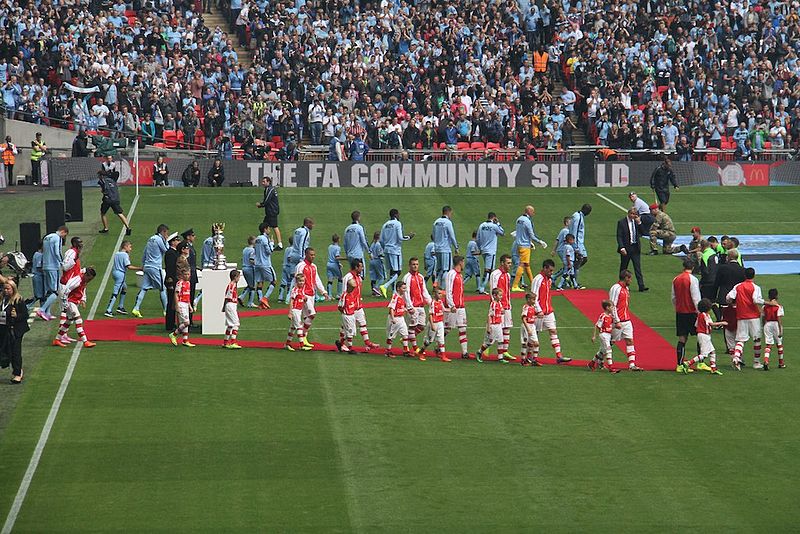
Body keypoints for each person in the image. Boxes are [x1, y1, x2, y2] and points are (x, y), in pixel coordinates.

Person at [531, 259, 571, 364]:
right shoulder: (537, 279)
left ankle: (559, 355)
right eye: (550, 271)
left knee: (553, 331)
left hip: (548, 311)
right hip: (538, 313)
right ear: (544, 268)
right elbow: (533, 296)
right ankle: (530, 356)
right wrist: (538, 310)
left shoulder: (548, 280)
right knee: (535, 334)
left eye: (552, 271)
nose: (551, 273)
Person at [335, 259, 380, 353]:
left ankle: (367, 343)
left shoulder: (359, 278)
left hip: (358, 305)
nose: (362, 268)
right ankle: (342, 344)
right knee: (346, 327)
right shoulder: (348, 277)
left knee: (362, 323)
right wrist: (345, 306)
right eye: (361, 266)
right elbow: (345, 291)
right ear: (356, 267)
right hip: (350, 306)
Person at [726, 268, 764, 371]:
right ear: (754, 275)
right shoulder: (755, 287)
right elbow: (756, 300)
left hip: (741, 316)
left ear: (744, 275)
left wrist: (732, 302)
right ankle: (756, 362)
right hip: (754, 316)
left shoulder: (738, 286)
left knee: (740, 340)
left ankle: (736, 358)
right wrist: (764, 302)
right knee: (757, 339)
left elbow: (729, 297)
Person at [52, 267, 97, 349]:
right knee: (78, 320)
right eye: (90, 279)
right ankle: (85, 341)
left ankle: (57, 339)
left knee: (69, 321)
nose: (90, 281)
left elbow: (82, 290)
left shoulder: (84, 280)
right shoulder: (78, 280)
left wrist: (83, 299)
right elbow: (66, 290)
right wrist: (65, 304)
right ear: (87, 275)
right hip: (70, 302)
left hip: (74, 301)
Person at [678, 299, 726, 375]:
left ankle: (713, 368)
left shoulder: (699, 315)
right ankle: (688, 363)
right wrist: (722, 322)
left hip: (702, 335)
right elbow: (711, 324)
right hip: (704, 336)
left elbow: (696, 325)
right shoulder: (705, 315)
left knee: (712, 351)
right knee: (703, 354)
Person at [609, 270, 644, 371]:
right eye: (630, 278)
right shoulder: (616, 288)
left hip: (627, 320)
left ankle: (632, 365)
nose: (631, 280)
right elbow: (613, 305)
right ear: (626, 278)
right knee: (610, 342)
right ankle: (597, 360)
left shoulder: (626, 289)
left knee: (630, 340)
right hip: (618, 321)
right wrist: (616, 321)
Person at [132, 224, 169, 317]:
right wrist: (167, 241)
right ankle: (166, 310)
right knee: (162, 288)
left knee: (144, 288)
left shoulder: (150, 239)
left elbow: (145, 252)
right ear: (163, 232)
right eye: (166, 233)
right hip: (155, 267)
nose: (167, 235)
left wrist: (143, 265)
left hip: (147, 266)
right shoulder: (159, 239)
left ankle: (136, 308)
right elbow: (166, 250)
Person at [379, 208, 415, 298]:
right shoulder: (397, 224)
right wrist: (409, 237)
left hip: (387, 249)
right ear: (396, 215)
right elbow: (400, 237)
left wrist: (385, 248)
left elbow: (381, 240)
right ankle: (385, 286)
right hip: (395, 250)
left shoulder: (385, 225)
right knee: (398, 272)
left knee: (392, 271)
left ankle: (394, 291)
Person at [294, 247, 330, 339]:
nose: (313, 256)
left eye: (314, 255)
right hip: (304, 294)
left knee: (307, 317)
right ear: (306, 255)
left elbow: (317, 279)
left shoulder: (314, 267)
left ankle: (302, 337)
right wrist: (300, 293)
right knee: (312, 314)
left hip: (312, 294)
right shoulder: (301, 266)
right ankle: (302, 334)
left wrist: (323, 292)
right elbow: (297, 280)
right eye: (311, 255)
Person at [672, 257, 700, 368]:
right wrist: (699, 312)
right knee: (700, 336)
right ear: (692, 267)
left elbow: (673, 297)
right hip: (692, 312)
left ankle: (679, 365)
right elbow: (695, 297)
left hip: (680, 312)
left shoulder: (676, 279)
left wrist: (677, 307)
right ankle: (701, 362)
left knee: (682, 338)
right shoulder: (693, 279)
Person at [512, 205, 547, 292]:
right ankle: (515, 285)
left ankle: (533, 283)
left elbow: (518, 232)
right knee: (522, 264)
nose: (534, 213)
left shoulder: (519, 219)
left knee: (526, 264)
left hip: (518, 244)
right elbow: (531, 235)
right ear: (529, 212)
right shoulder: (527, 221)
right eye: (533, 212)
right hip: (524, 245)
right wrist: (540, 242)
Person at [0, 280, 29, 384]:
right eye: (5, 288)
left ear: (13, 289)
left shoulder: (18, 300)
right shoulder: (2, 299)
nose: (6, 290)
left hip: (15, 330)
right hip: (3, 329)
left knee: (15, 352)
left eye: (8, 289)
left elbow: (25, 315)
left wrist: (16, 316)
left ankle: (17, 373)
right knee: (5, 350)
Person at [37, 225, 68, 321]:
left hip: (45, 265)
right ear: (63, 231)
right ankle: (42, 310)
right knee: (55, 291)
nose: (63, 237)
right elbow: (57, 251)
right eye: (64, 235)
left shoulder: (47, 237)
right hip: (53, 267)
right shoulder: (57, 238)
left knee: (48, 290)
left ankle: (48, 312)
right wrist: (62, 262)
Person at [402, 257, 432, 355]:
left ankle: (406, 338)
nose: (415, 266)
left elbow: (424, 290)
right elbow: (406, 293)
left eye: (417, 264)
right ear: (410, 265)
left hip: (421, 305)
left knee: (421, 326)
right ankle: (415, 348)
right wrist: (410, 307)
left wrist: (430, 302)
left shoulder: (420, 277)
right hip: (413, 307)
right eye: (413, 264)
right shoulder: (407, 277)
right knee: (412, 327)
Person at [443, 255, 470, 360]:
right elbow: (448, 290)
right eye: (463, 262)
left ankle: (465, 352)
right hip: (453, 307)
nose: (464, 264)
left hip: (461, 307)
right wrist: (451, 305)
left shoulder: (460, 275)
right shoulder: (451, 274)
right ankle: (437, 345)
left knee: (463, 329)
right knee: (447, 329)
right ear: (460, 262)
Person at [104, 240, 140, 317]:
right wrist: (140, 268)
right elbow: (129, 266)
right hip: (120, 274)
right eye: (130, 247)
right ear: (125, 247)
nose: (131, 249)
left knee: (124, 288)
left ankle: (120, 306)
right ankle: (108, 309)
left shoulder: (117, 253)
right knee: (116, 292)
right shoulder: (125, 255)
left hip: (115, 272)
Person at [98, 156, 132, 235]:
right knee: (119, 213)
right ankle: (128, 227)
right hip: (116, 199)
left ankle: (106, 228)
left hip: (108, 199)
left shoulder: (102, 181)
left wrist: (103, 192)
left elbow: (104, 190)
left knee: (103, 213)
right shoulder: (113, 181)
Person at [489, 254, 514, 361]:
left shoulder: (507, 275)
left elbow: (507, 291)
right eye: (508, 263)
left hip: (507, 306)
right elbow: (492, 291)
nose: (510, 265)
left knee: (507, 328)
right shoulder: (495, 274)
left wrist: (509, 304)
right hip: (499, 307)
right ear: (502, 263)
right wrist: (496, 306)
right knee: (496, 330)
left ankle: (505, 351)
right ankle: (486, 347)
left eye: (510, 263)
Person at [616, 208, 648, 292]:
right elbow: (619, 236)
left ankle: (641, 286)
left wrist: (639, 223)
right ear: (629, 213)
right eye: (633, 214)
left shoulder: (636, 222)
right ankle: (621, 285)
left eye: (635, 214)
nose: (634, 216)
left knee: (637, 268)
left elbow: (644, 232)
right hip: (626, 248)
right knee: (623, 268)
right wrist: (621, 247)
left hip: (635, 248)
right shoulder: (622, 222)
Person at [475, 212, 505, 294]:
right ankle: (482, 288)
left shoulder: (482, 225)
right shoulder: (494, 226)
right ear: (494, 218)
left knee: (490, 270)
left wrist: (480, 248)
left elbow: (477, 239)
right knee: (488, 270)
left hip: (484, 250)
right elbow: (502, 232)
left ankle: (492, 287)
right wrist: (498, 223)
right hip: (491, 251)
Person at [475, 288, 507, 363]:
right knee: (489, 342)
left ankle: (500, 358)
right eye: (499, 295)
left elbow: (501, 311)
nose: (501, 297)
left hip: (499, 324)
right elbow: (489, 316)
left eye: (501, 295)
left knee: (501, 341)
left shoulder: (499, 303)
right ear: (494, 296)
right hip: (493, 325)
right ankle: (479, 352)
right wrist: (489, 327)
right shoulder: (493, 304)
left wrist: (502, 311)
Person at [589, 300, 620, 373]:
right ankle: (611, 368)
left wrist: (616, 327)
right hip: (604, 335)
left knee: (602, 351)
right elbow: (597, 325)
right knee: (609, 350)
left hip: (608, 335)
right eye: (611, 307)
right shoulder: (603, 316)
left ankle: (591, 363)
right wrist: (594, 336)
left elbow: (609, 326)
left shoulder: (610, 316)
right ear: (607, 307)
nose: (613, 308)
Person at [432, 205, 459, 287]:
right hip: (445, 249)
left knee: (439, 269)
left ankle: (436, 282)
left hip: (437, 248)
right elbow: (452, 236)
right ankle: (443, 288)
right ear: (448, 212)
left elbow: (433, 235)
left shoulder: (436, 222)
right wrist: (456, 247)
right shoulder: (448, 222)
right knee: (446, 269)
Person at [385, 280, 412, 358]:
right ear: (398, 288)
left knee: (405, 334)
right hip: (395, 319)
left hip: (401, 318)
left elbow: (400, 307)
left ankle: (406, 351)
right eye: (403, 288)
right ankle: (388, 351)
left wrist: (406, 310)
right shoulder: (395, 297)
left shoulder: (401, 297)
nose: (405, 290)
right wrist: (393, 318)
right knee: (391, 336)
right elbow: (391, 308)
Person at [285, 273, 312, 351]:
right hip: (295, 310)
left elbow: (302, 297)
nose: (302, 283)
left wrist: (305, 298)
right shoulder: (295, 290)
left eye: (303, 281)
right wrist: (290, 312)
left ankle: (287, 344)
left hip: (299, 310)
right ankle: (301, 345)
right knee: (299, 327)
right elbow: (291, 301)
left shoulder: (301, 290)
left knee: (292, 328)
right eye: (300, 281)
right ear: (296, 281)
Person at [168, 270, 195, 348]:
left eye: (188, 274)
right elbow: (176, 295)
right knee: (187, 322)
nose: (187, 275)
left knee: (184, 322)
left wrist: (190, 306)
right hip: (181, 304)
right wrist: (176, 306)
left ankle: (185, 340)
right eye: (185, 274)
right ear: (182, 275)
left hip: (186, 304)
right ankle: (174, 334)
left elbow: (188, 296)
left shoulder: (188, 283)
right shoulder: (180, 283)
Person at [421, 289, 449, 362]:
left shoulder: (440, 301)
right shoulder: (432, 303)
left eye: (441, 293)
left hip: (440, 323)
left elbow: (444, 309)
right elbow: (430, 315)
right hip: (433, 323)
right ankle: (422, 352)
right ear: (435, 294)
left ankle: (443, 356)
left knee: (441, 339)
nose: (441, 295)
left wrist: (451, 310)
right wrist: (432, 325)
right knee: (429, 341)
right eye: (439, 293)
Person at [568, 204, 591, 289]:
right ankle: (574, 282)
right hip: (577, 244)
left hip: (578, 242)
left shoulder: (576, 215)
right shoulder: (578, 218)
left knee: (582, 260)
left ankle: (571, 275)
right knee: (579, 261)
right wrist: (575, 247)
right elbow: (575, 232)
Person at [180, 229, 200, 328]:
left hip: (191, 275)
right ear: (188, 237)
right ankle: (188, 321)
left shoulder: (189, 247)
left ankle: (189, 320)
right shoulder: (186, 247)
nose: (194, 237)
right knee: (188, 298)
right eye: (192, 235)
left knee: (190, 298)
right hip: (189, 276)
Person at [254, 223, 276, 308]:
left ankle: (261, 302)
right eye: (268, 229)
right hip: (265, 264)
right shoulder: (265, 239)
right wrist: (272, 243)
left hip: (257, 264)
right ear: (265, 229)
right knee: (274, 281)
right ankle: (265, 298)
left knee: (260, 282)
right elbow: (269, 251)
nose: (269, 230)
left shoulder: (257, 239)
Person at [256, 177, 283, 249]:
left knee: (274, 227)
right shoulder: (269, 189)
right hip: (271, 211)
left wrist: (260, 205)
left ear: (268, 182)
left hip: (272, 211)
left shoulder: (270, 189)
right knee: (264, 226)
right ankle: (267, 241)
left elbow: (267, 200)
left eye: (264, 182)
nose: (262, 183)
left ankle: (279, 244)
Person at [163, 232, 182, 331]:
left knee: (173, 303)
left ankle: (171, 323)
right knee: (171, 303)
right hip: (172, 280)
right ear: (173, 242)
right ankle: (169, 324)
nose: (179, 242)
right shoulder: (170, 253)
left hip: (174, 280)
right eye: (177, 240)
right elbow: (170, 269)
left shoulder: (173, 252)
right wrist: (170, 282)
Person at [762, 289, 784, 369]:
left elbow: (763, 317)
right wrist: (780, 330)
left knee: (768, 344)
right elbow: (779, 319)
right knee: (779, 344)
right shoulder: (779, 307)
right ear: (776, 296)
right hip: (776, 325)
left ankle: (766, 360)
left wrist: (763, 326)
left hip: (767, 324)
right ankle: (781, 363)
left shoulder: (764, 306)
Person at [520, 292, 542, 366]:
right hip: (526, 326)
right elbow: (523, 318)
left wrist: (537, 316)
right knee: (524, 344)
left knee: (536, 343)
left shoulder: (533, 307)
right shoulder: (526, 307)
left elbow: (532, 316)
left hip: (532, 326)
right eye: (533, 299)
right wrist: (528, 328)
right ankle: (523, 361)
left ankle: (534, 360)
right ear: (528, 299)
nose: (534, 301)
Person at [222, 270, 242, 349]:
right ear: (235, 277)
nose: (239, 278)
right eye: (238, 277)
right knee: (236, 323)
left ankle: (225, 342)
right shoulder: (232, 285)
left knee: (230, 324)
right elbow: (227, 297)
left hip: (230, 305)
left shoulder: (232, 285)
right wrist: (224, 306)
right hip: (231, 304)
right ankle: (233, 342)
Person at [240, 236, 257, 307]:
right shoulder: (252, 250)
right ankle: (250, 302)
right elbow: (251, 260)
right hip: (250, 268)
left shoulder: (245, 249)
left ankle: (242, 297)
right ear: (253, 241)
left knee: (249, 285)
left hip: (244, 268)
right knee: (252, 286)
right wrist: (256, 264)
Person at [368, 231, 384, 296]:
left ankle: (373, 292)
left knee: (373, 277)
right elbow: (380, 254)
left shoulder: (372, 244)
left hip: (371, 261)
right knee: (381, 277)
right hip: (377, 260)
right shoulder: (378, 244)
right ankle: (376, 288)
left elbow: (370, 252)